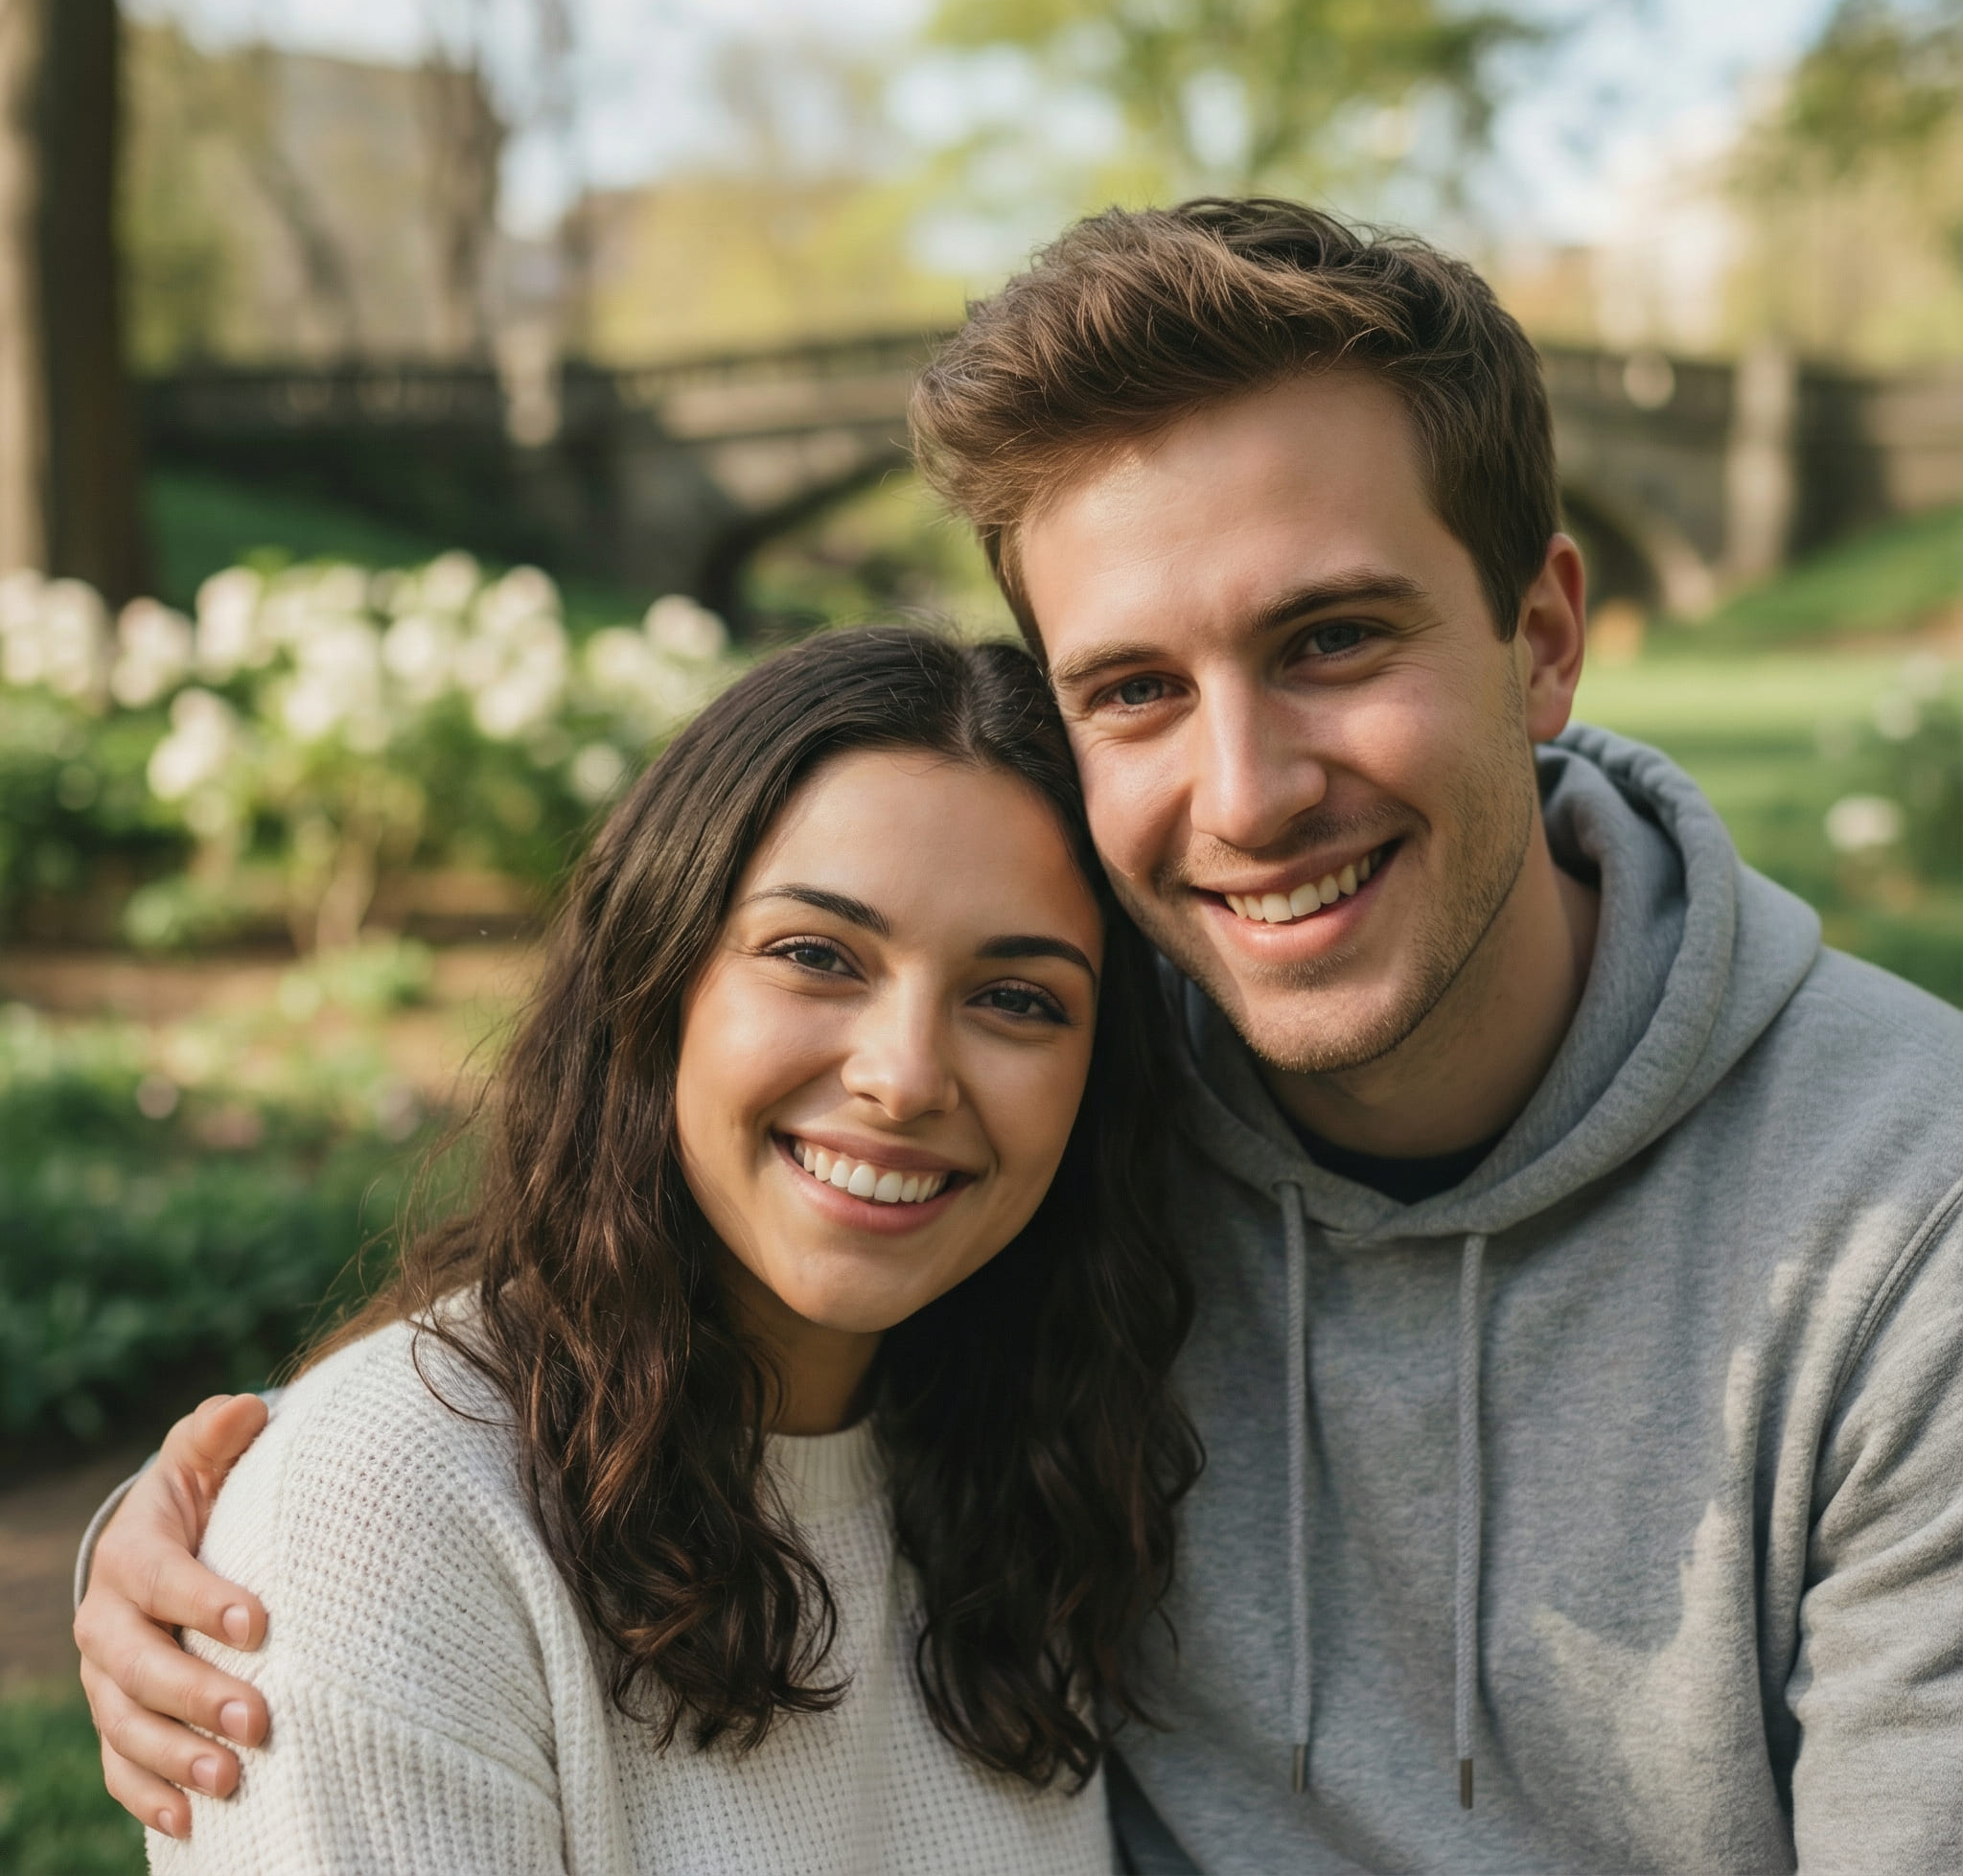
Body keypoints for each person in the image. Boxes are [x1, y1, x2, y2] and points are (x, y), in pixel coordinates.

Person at [81, 201, 1963, 1873]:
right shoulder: (1047, 1076)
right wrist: (253, 1541)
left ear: (1540, 635)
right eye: (1135, 689)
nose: (1245, 793)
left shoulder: (1907, 1226)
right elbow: (635, 1321)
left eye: (1329, 641)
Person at [85, 626, 1197, 1872]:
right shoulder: (396, 1512)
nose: (905, 1078)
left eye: (1018, 998)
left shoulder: (1030, 1470)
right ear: (657, 979)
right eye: (816, 956)